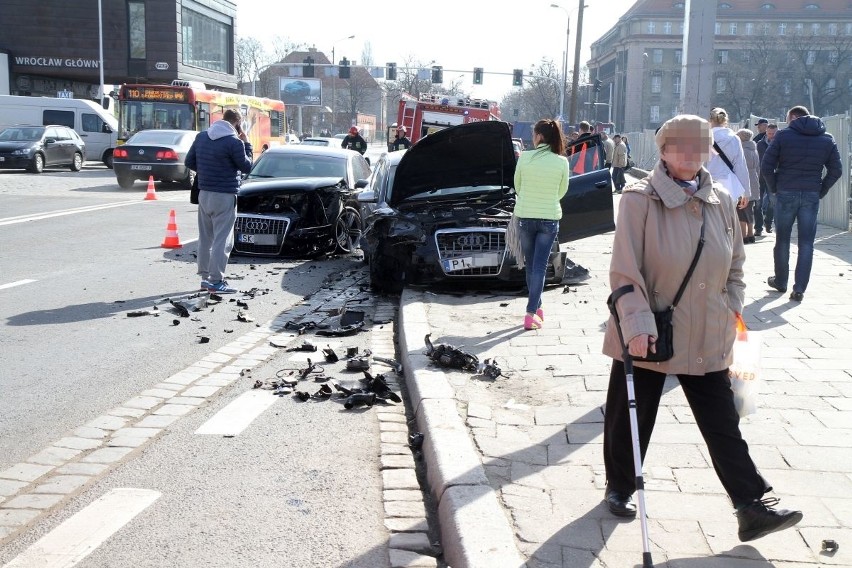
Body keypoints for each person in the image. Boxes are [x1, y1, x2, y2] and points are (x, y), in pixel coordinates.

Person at [602, 114, 803, 543]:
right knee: (631, 418)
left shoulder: (722, 201)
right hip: (652, 331)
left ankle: (751, 506)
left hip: (709, 331)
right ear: (663, 150)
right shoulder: (639, 201)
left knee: (722, 423)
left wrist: (730, 305)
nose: (693, 155)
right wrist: (636, 324)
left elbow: (735, 265)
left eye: (702, 146)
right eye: (683, 146)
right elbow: (624, 274)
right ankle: (619, 486)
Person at [761, 105, 842, 302]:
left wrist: (774, 188)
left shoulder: (783, 136)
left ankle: (781, 281)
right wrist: (820, 189)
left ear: (794, 118)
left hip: (786, 191)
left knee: (782, 239)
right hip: (811, 193)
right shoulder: (827, 139)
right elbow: (836, 170)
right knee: (806, 243)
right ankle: (799, 289)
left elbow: (766, 166)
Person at [185, 108, 253, 294]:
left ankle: (205, 278)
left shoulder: (202, 137)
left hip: (204, 194)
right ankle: (216, 281)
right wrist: (247, 145)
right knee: (223, 240)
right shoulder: (235, 142)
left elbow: (189, 162)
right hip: (224, 195)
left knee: (206, 238)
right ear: (237, 124)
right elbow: (247, 166)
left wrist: (208, 169)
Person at [513, 119, 570, 331]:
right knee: (539, 267)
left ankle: (535, 309)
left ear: (539, 136)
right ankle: (533, 310)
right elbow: (562, 191)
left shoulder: (525, 158)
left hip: (525, 216)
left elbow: (517, 185)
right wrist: (547, 199)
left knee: (530, 265)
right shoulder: (561, 162)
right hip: (549, 218)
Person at [707, 108, 750, 208]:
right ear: (726, 120)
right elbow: (740, 166)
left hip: (707, 184)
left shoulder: (704, 137)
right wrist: (746, 193)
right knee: (727, 220)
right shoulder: (734, 138)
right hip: (729, 185)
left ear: (710, 120)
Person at [736, 128, 761, 243]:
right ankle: (751, 233)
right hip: (754, 180)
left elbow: (738, 168)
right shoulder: (753, 149)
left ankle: (744, 235)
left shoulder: (741, 150)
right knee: (749, 209)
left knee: (740, 209)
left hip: (743, 181)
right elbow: (758, 169)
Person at [755, 123, 778, 234]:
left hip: (772, 177)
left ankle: (768, 223)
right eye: (769, 133)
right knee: (757, 203)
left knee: (773, 202)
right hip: (759, 177)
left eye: (773, 134)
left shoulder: (780, 144)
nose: (771, 136)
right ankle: (758, 228)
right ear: (766, 132)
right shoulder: (759, 144)